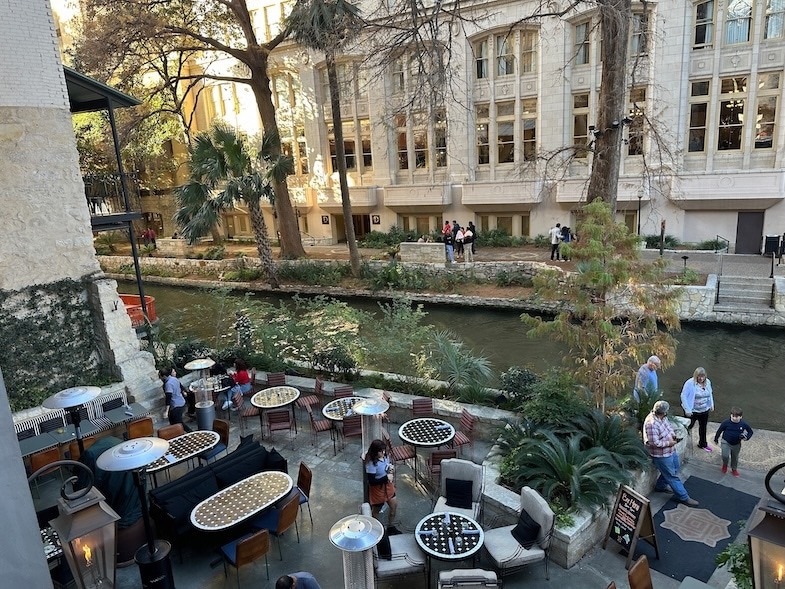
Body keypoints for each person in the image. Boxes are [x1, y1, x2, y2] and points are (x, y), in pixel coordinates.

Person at [643, 400, 699, 506]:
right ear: (663, 412)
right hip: (661, 454)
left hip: (670, 450)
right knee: (671, 476)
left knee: (676, 467)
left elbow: (668, 426)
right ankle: (684, 497)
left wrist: (673, 436)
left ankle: (660, 487)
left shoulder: (663, 417)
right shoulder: (652, 424)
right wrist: (670, 443)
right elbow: (654, 443)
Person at [364, 439, 398, 527]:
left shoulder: (385, 456)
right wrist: (386, 477)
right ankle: (374, 528)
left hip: (388, 487)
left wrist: (390, 469)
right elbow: (372, 482)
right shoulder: (371, 463)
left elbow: (388, 465)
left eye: (384, 450)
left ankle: (390, 526)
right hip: (378, 490)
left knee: (394, 507)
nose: (383, 452)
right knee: (376, 512)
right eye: (381, 451)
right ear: (375, 451)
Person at [680, 366, 715, 452]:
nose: (701, 378)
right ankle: (681, 442)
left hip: (704, 410)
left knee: (703, 427)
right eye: (699, 376)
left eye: (702, 376)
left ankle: (702, 444)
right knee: (688, 426)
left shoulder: (708, 382)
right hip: (693, 411)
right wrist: (687, 410)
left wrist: (711, 404)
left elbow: (710, 393)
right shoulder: (689, 383)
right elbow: (683, 396)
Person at [714, 407, 754, 476]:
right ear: (730, 415)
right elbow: (719, 430)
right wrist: (716, 439)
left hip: (736, 444)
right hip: (726, 442)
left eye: (737, 417)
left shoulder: (743, 424)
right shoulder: (726, 422)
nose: (734, 418)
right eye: (733, 416)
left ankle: (734, 469)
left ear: (741, 417)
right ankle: (725, 465)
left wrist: (746, 437)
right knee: (725, 455)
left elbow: (750, 432)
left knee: (735, 457)